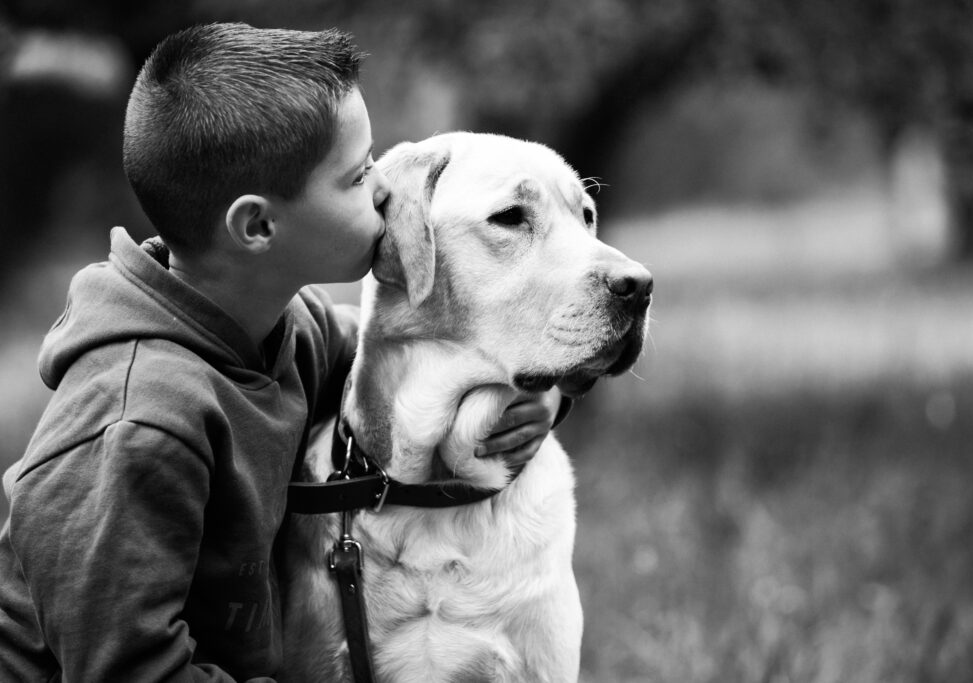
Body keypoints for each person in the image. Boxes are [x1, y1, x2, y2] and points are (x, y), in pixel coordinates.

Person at [0, 23, 566, 682]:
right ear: (259, 226)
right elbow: (126, 668)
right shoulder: (139, 423)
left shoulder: (285, 330)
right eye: (358, 177)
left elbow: (420, 367)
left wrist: (541, 394)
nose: (386, 187)